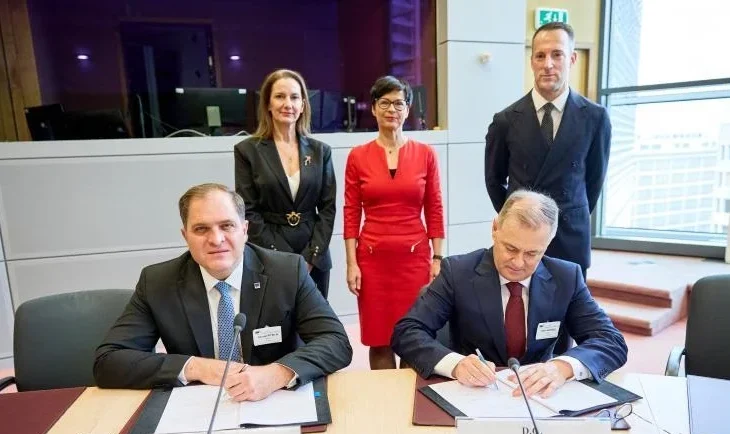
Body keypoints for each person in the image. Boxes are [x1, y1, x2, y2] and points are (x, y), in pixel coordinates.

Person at [94, 183, 351, 401]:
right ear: (185, 235)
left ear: (245, 230)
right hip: (196, 408)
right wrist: (197, 367)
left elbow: (336, 342)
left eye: (227, 226)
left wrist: (276, 374)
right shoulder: (158, 282)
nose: (216, 240)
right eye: (201, 229)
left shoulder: (287, 271)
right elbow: (108, 361)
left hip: (275, 401)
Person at [392, 190, 627, 398]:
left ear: (548, 243)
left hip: (539, 397)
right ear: (495, 229)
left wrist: (561, 368)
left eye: (532, 254)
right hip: (472, 394)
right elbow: (407, 332)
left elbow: (611, 341)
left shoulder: (566, 277)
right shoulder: (458, 272)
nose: (518, 262)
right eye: (510, 248)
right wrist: (456, 364)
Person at [484, 22, 611, 279]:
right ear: (531, 61)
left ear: (572, 59)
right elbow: (494, 180)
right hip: (521, 239)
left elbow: (594, 182)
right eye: (540, 56)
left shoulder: (595, 118)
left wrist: (569, 213)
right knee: (521, 302)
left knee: (569, 303)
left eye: (557, 54)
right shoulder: (506, 120)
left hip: (570, 235)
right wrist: (517, 216)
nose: (548, 64)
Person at [344, 76, 445, 370]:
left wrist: (438, 258)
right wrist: (352, 263)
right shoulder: (357, 156)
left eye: (399, 103)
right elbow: (351, 212)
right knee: (379, 339)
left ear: (408, 109)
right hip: (372, 261)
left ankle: (411, 398)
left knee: (414, 336)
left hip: (415, 260)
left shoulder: (426, 154)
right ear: (374, 108)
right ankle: (384, 398)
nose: (392, 110)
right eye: (385, 103)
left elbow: (435, 208)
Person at [235, 69, 336, 298]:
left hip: (314, 256)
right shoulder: (247, 151)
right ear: (268, 104)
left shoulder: (321, 152)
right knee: (274, 319)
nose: (287, 104)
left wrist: (311, 256)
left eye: (294, 97)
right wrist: (281, 257)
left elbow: (328, 209)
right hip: (268, 254)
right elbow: (248, 210)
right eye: (280, 96)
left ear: (303, 105)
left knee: (315, 318)